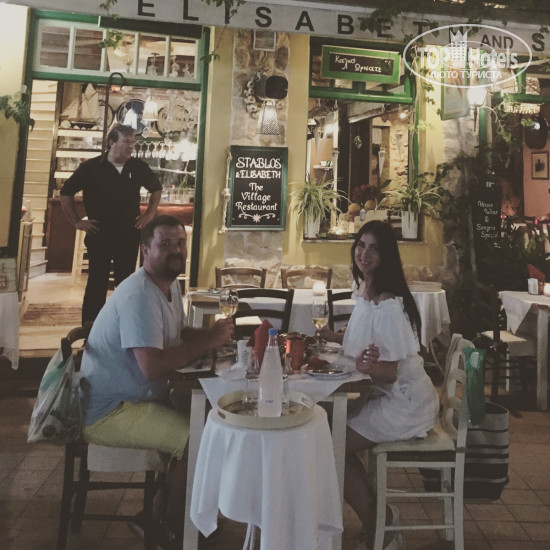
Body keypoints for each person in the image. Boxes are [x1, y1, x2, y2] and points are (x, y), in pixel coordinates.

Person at [80, 215, 234, 547]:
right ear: (145, 250)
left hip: (138, 399)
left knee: (210, 421)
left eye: (180, 243)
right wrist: (210, 341)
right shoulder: (139, 295)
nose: (176, 250)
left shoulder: (169, 284)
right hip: (110, 410)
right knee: (201, 440)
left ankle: (158, 511)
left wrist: (213, 336)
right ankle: (173, 524)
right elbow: (152, 366)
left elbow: (177, 334)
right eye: (165, 244)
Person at [321, 220, 439, 550]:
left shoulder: (387, 301)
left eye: (374, 248)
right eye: (361, 245)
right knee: (327, 430)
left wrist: (366, 367)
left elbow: (390, 371)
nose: (364, 253)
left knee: (329, 443)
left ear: (386, 255)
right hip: (388, 396)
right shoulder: (368, 289)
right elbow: (367, 339)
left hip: (404, 403)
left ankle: (379, 522)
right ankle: (378, 517)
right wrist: (334, 337)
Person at [60, 123, 162, 324]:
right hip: (99, 233)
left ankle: (125, 326)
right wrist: (76, 221)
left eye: (132, 142)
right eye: (126, 141)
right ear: (111, 142)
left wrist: (149, 214)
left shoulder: (137, 167)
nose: (131, 146)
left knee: (126, 283)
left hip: (128, 233)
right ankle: (91, 330)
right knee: (96, 282)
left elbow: (156, 189)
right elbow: (66, 192)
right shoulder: (91, 168)